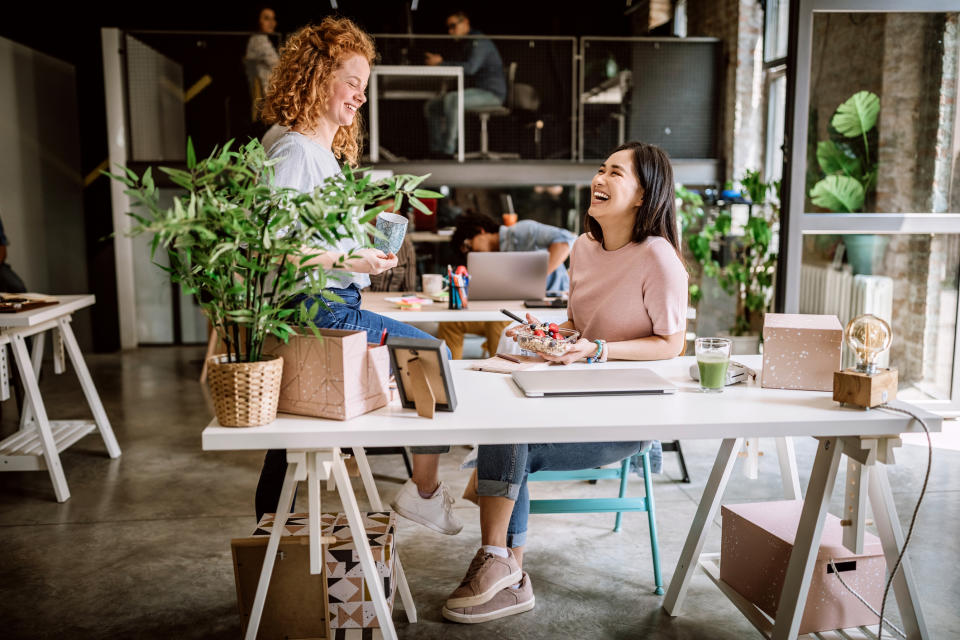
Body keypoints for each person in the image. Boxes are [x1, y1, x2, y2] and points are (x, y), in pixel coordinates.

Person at [441, 142, 689, 624]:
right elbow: (578, 326)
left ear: (643, 195)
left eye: (615, 173)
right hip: (570, 395)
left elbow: (670, 344)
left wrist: (598, 350)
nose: (600, 178)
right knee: (504, 424)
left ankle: (504, 566)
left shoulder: (658, 257)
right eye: (600, 169)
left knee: (510, 441)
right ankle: (506, 568)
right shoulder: (583, 247)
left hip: (623, 414)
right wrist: (545, 335)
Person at [253, 18, 460, 537]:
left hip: (324, 308)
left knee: (288, 443)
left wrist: (356, 249)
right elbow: (273, 249)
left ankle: (267, 541)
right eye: (352, 82)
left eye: (363, 87)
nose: (360, 97)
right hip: (319, 312)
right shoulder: (296, 151)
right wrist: (350, 262)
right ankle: (425, 495)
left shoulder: (317, 153)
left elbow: (305, 240)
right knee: (435, 360)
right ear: (319, 76)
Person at [438, 212, 575, 359]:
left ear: (480, 230)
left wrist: (538, 278)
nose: (470, 253)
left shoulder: (520, 231)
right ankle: (449, 373)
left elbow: (566, 240)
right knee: (451, 323)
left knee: (498, 324)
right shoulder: (486, 261)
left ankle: (497, 372)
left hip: (543, 306)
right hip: (505, 311)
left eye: (468, 245)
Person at [423, 11, 506, 158]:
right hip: (475, 91)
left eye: (454, 26)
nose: (451, 31)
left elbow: (470, 68)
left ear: (465, 22)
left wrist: (441, 63)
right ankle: (436, 150)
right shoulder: (465, 43)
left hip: (492, 94)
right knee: (432, 106)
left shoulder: (479, 41)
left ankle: (449, 151)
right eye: (448, 27)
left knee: (453, 99)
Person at [244, 7, 280, 123]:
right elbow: (278, 65)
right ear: (258, 21)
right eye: (266, 18)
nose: (271, 23)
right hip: (263, 99)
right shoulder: (258, 40)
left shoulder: (263, 39)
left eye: (273, 19)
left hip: (266, 97)